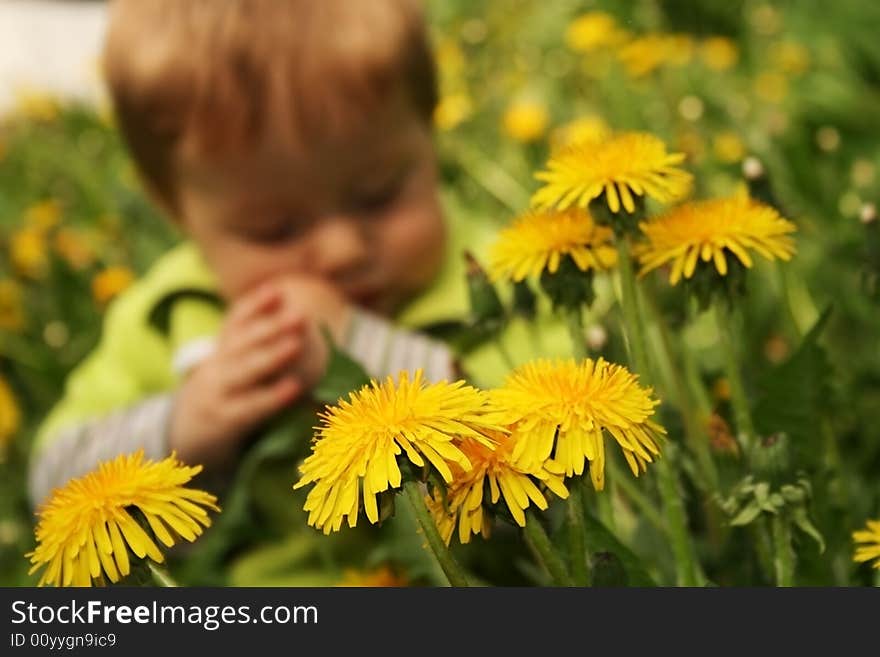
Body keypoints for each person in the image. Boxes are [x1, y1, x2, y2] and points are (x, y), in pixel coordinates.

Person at [28, 0, 570, 585]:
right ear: (175, 211)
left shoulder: (505, 274)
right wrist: (184, 427)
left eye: (380, 195)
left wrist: (364, 355)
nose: (340, 250)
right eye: (274, 230)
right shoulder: (169, 314)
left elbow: (575, 467)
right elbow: (51, 489)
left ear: (430, 130)